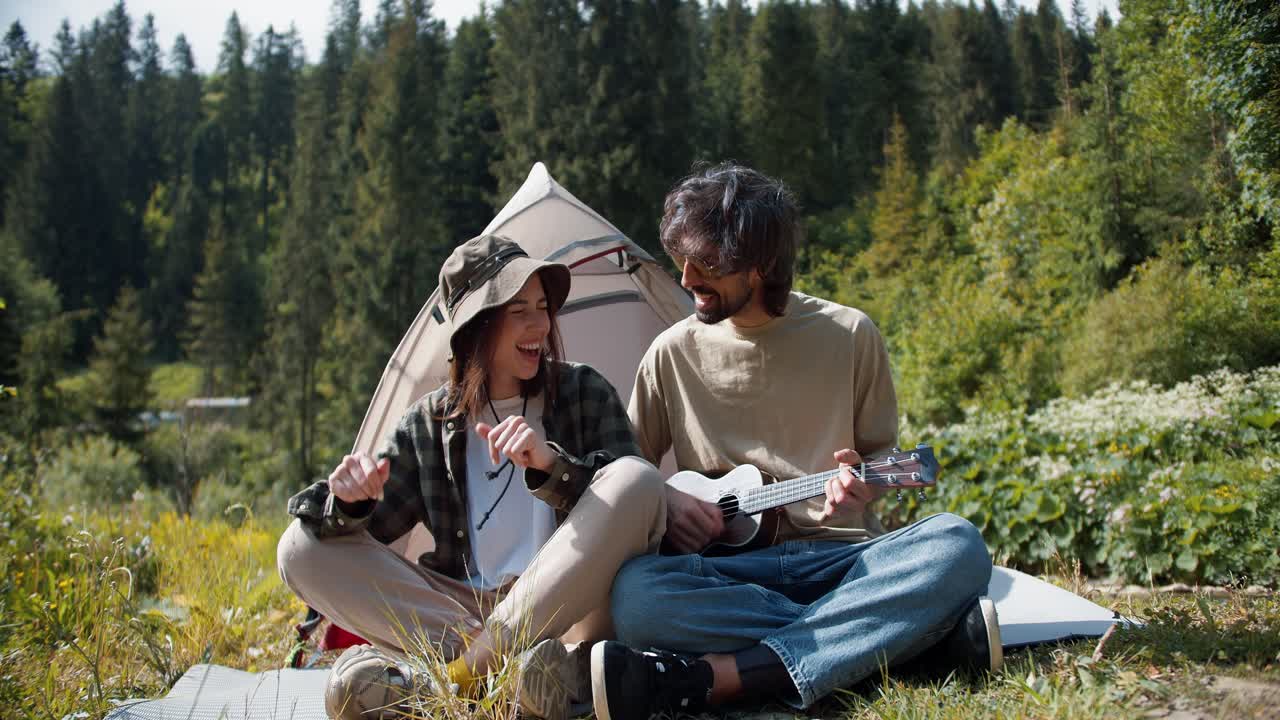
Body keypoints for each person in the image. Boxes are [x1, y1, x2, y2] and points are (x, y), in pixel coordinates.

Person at [589, 164, 1001, 720]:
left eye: (706, 264)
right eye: (681, 259)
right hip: (730, 577)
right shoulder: (670, 353)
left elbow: (883, 459)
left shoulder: (851, 334)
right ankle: (901, 643)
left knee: (956, 543)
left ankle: (720, 677)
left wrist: (867, 486)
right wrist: (667, 499)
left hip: (844, 562)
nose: (685, 279)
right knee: (637, 597)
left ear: (759, 265)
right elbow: (626, 474)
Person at [277, 234, 666, 720]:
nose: (541, 325)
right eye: (518, 310)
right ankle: (519, 675)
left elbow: (638, 514)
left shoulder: (584, 391)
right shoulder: (429, 424)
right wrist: (352, 502)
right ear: (477, 325)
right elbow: (360, 536)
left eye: (542, 307)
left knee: (636, 480)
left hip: (568, 612)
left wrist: (552, 468)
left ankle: (454, 680)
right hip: (464, 615)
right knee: (299, 547)